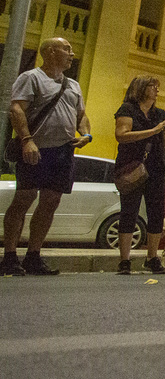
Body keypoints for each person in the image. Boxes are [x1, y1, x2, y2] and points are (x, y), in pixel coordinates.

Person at [2, 37, 92, 276]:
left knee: (50, 202)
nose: (71, 53)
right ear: (51, 52)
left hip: (63, 151)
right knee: (24, 198)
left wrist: (87, 134)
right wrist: (27, 140)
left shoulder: (73, 85)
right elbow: (16, 108)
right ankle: (10, 256)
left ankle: (33, 255)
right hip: (35, 149)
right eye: (66, 49)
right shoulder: (31, 78)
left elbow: (81, 115)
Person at [112, 75, 165, 275]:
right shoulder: (128, 109)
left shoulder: (160, 113)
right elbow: (121, 135)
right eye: (153, 86)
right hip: (131, 166)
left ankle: (152, 257)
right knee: (129, 211)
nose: (157, 90)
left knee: (156, 212)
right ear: (140, 88)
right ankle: (124, 260)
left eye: (157, 86)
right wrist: (154, 129)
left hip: (155, 167)